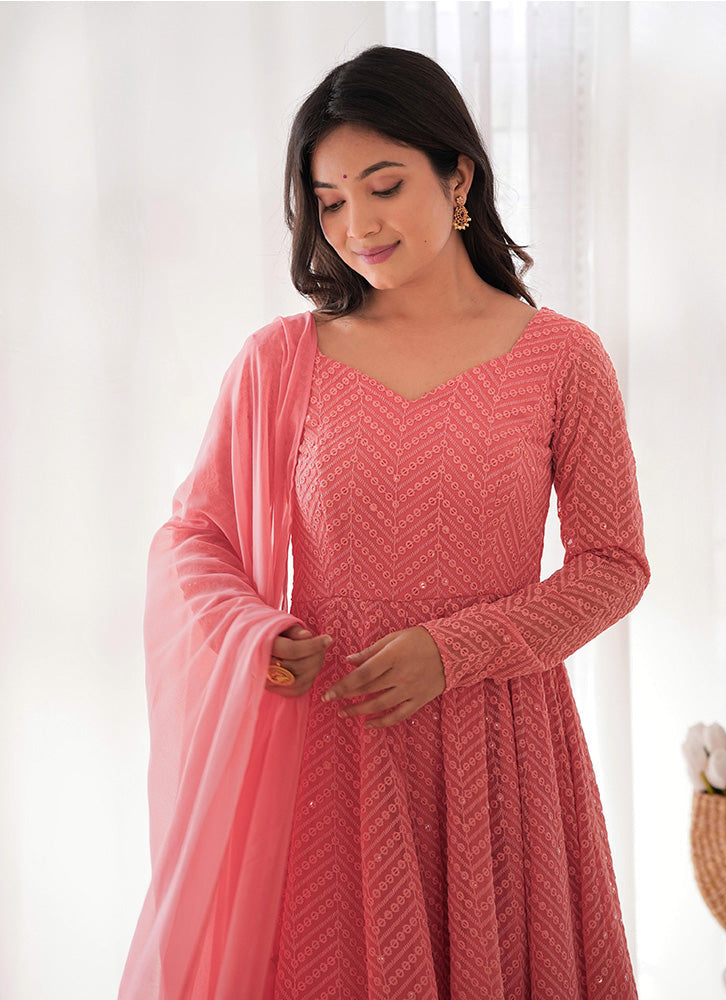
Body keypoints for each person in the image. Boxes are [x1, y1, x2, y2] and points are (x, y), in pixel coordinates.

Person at [120, 45, 649, 1000]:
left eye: (385, 185)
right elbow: (194, 539)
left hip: (501, 751)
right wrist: (261, 637)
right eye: (329, 201)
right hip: (336, 749)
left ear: (459, 177)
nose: (357, 225)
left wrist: (454, 651)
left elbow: (613, 564)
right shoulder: (280, 361)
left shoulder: (564, 360)